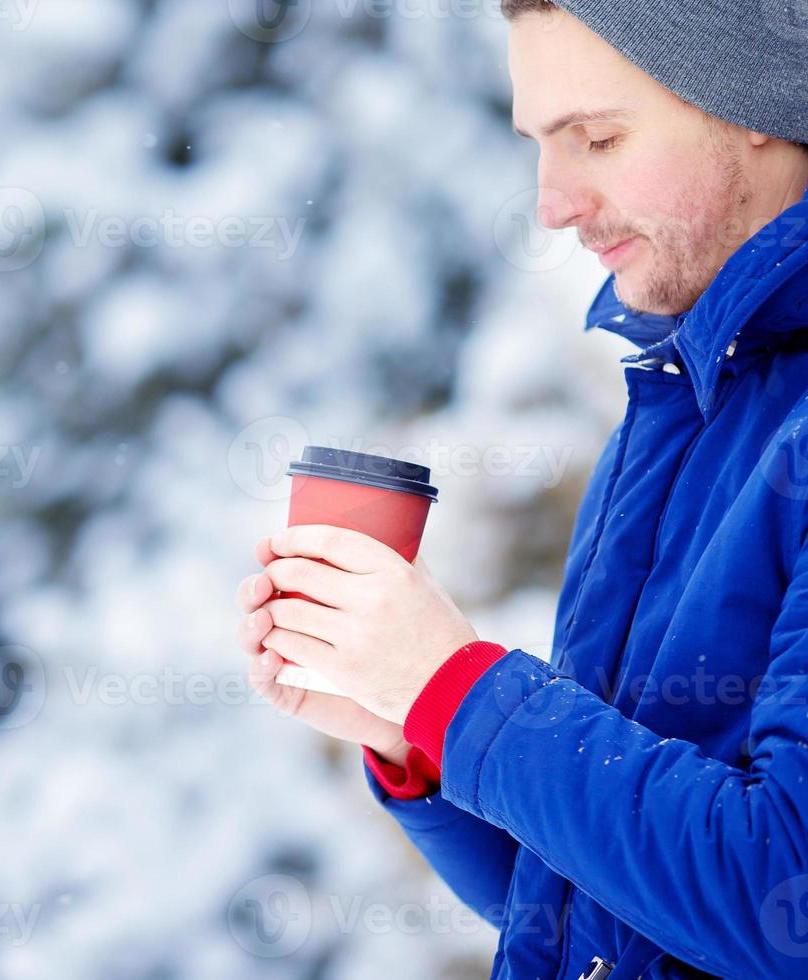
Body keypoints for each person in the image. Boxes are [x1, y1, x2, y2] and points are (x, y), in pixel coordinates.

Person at [234, 2, 808, 977]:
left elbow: (779, 897)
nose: (552, 202)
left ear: (757, 102)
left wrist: (454, 690)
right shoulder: (675, 412)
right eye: (542, 144)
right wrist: (415, 726)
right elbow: (613, 912)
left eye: (597, 137)